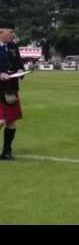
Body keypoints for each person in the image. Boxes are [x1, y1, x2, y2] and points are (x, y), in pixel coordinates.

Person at [0, 29, 25, 161]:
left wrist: (21, 70)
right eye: (9, 33)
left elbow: (18, 62)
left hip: (11, 88)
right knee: (1, 120)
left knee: (11, 121)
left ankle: (6, 152)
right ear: (1, 34)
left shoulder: (13, 46)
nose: (12, 35)